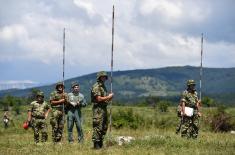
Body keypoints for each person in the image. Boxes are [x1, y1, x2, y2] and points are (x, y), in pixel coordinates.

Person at [91, 71, 114, 149]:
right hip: (98, 109)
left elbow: (103, 99)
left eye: (105, 77)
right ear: (99, 77)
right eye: (102, 77)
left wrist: (109, 98)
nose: (104, 78)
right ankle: (96, 145)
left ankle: (100, 143)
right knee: (98, 126)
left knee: (104, 126)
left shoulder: (103, 86)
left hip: (104, 108)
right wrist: (108, 97)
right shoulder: (96, 86)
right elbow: (98, 98)